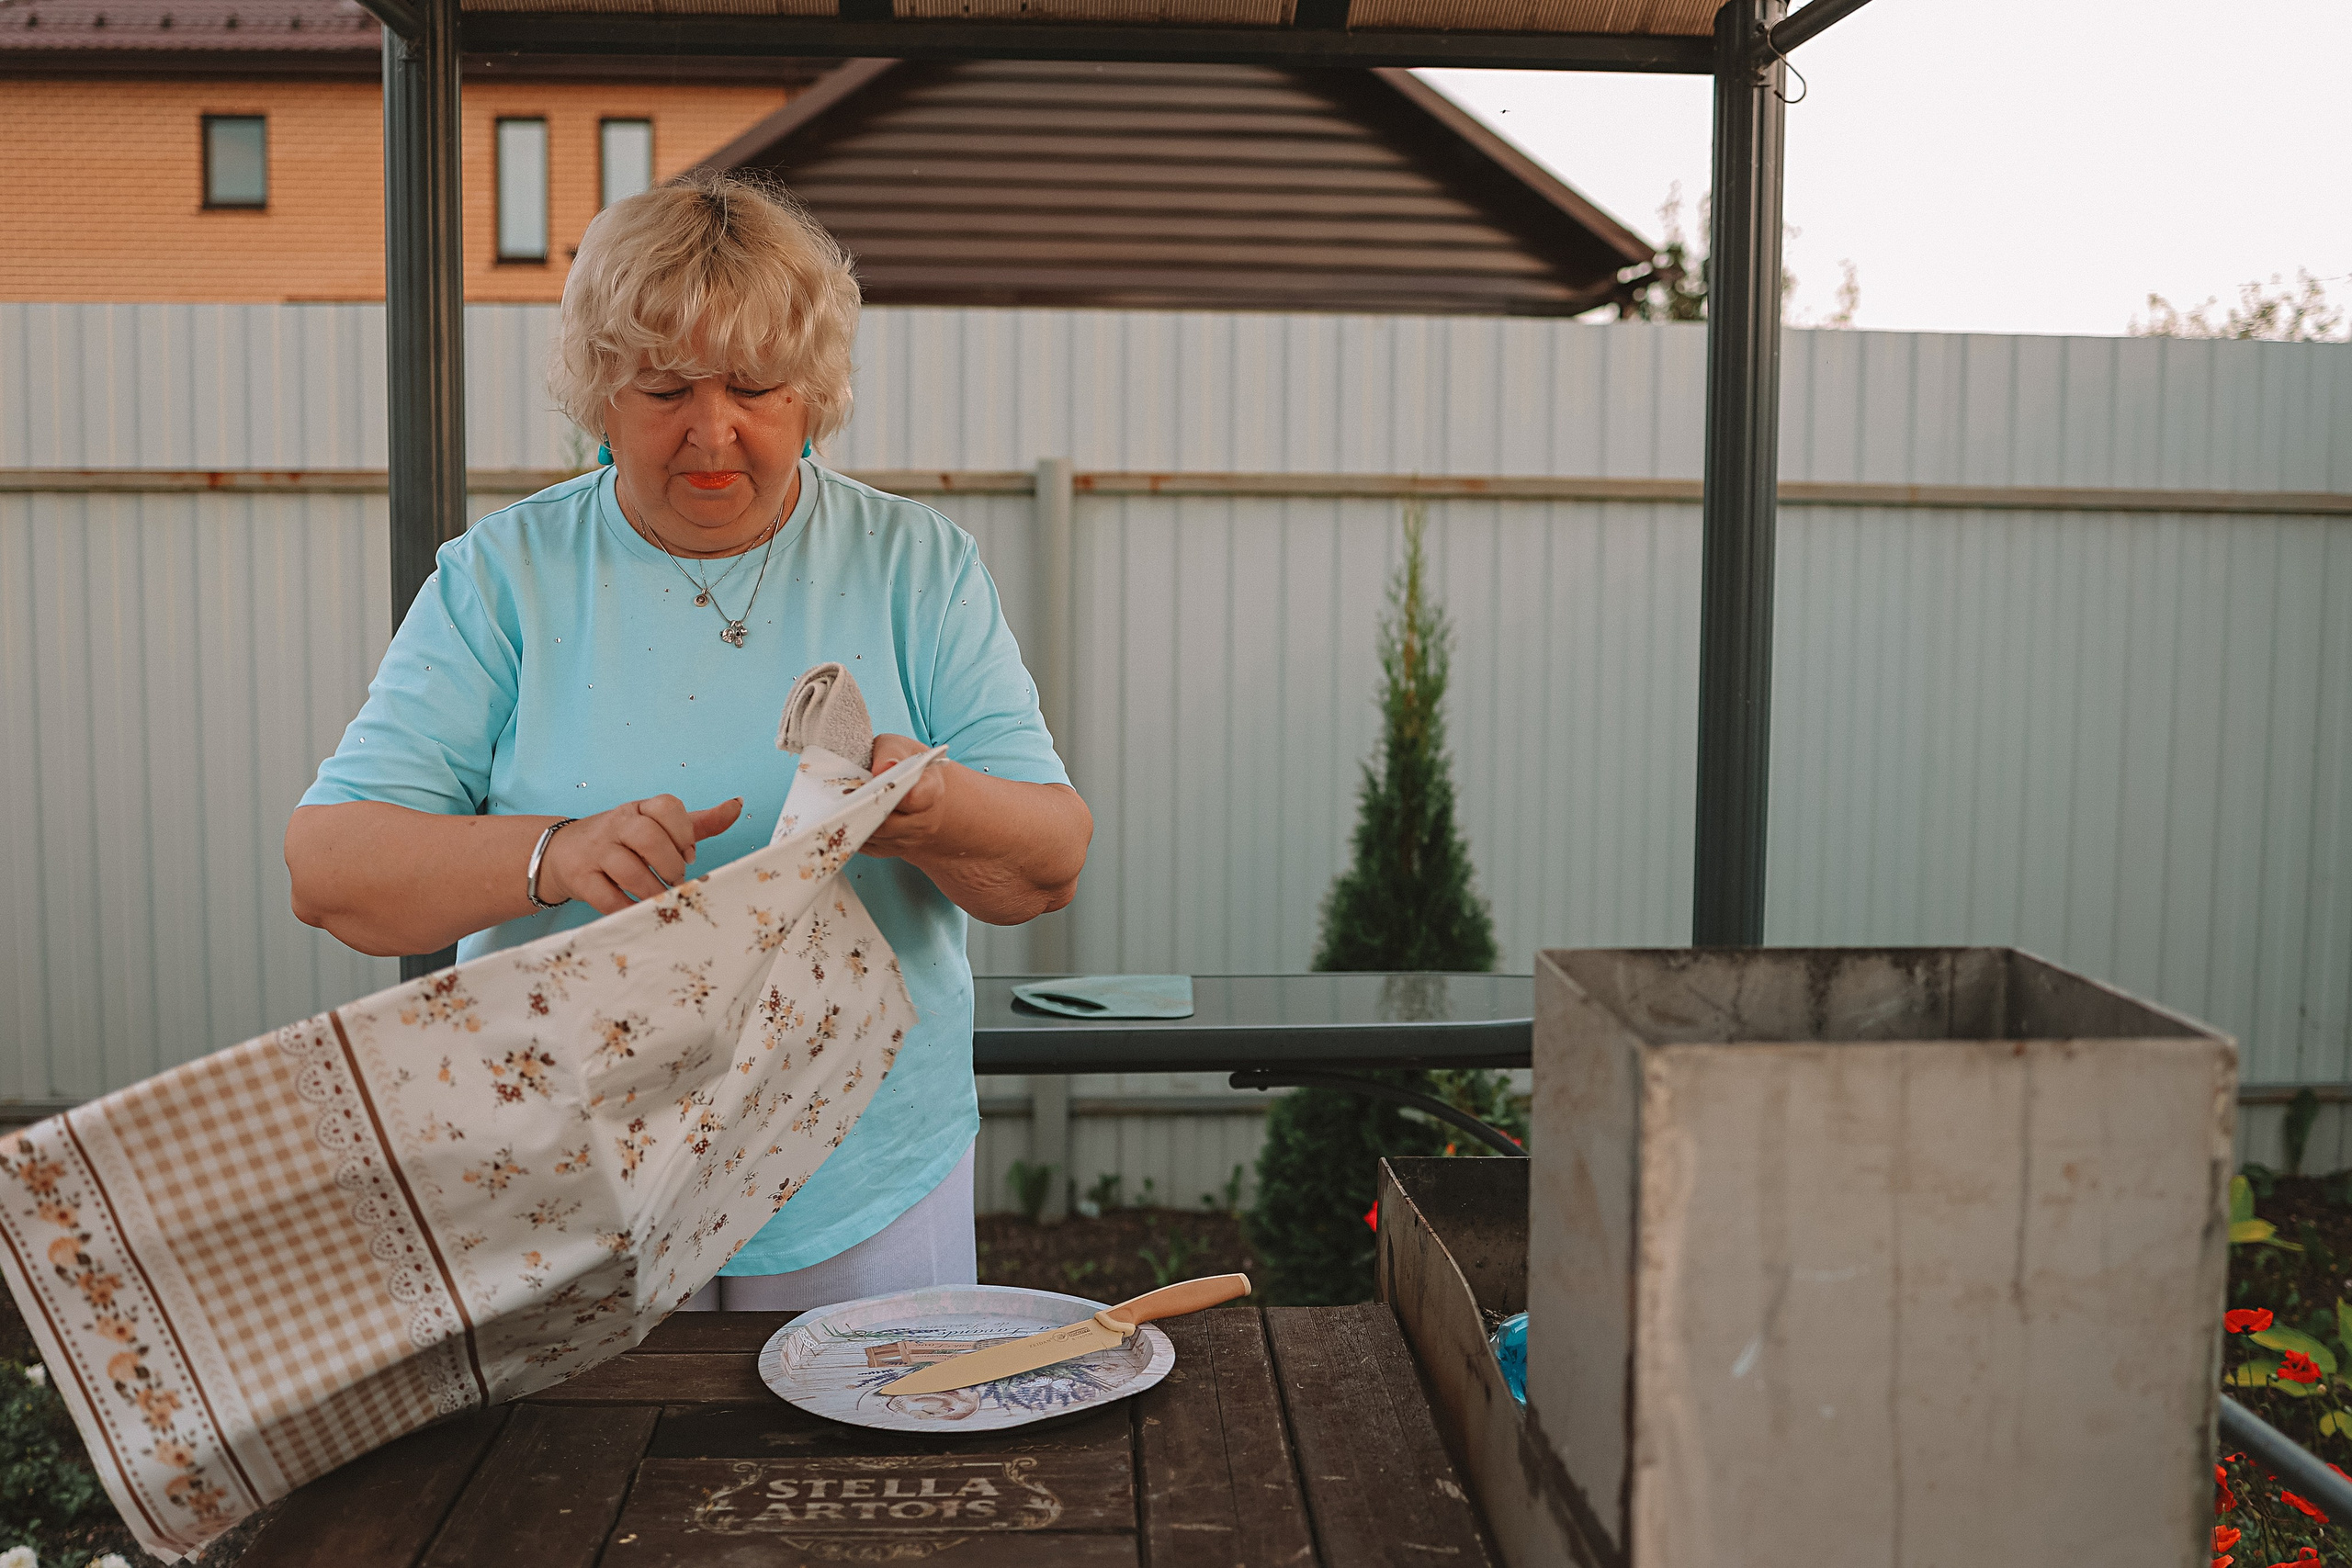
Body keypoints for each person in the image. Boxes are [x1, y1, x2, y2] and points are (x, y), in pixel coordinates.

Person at [284, 173, 1091, 1310]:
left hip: (856, 1164)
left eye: (755, 387)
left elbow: (1050, 862)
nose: (712, 432)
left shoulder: (919, 566)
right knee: (576, 1488)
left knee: (861, 1488)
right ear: (598, 393)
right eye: (664, 388)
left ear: (813, 393)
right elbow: (330, 871)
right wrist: (551, 854)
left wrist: (934, 810)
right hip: (570, 1169)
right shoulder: (504, 578)